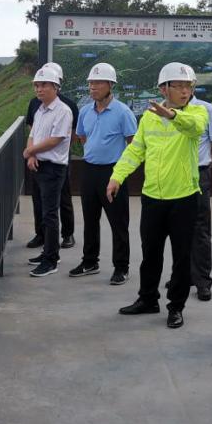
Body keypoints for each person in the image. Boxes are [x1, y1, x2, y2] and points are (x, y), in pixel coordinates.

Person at [107, 63, 207, 329]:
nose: (185, 91)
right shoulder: (149, 118)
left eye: (188, 86)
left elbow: (195, 128)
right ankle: (148, 298)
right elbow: (135, 150)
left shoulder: (197, 112)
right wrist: (117, 176)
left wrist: (173, 115)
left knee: (181, 257)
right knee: (150, 253)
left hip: (184, 198)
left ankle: (176, 307)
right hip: (152, 197)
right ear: (164, 89)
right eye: (179, 86)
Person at [70, 62, 138, 285]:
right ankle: (90, 261)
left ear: (110, 85)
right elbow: (82, 137)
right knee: (90, 219)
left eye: (98, 82)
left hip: (113, 172)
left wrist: (120, 171)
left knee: (118, 222)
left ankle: (121, 267)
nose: (93, 87)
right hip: (89, 170)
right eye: (91, 83)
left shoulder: (123, 112)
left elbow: (133, 143)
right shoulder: (85, 111)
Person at [23, 65, 74, 277]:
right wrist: (32, 154)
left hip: (53, 169)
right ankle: (48, 252)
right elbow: (33, 135)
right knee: (43, 212)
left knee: (50, 215)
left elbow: (55, 140)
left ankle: (51, 260)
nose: (39, 89)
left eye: (44, 85)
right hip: (40, 166)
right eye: (36, 85)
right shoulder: (40, 110)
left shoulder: (63, 111)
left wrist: (30, 151)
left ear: (55, 87)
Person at [188, 91, 212, 301]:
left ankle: (202, 280)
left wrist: (207, 166)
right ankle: (184, 275)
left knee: (200, 228)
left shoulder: (207, 109)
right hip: (174, 176)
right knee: (178, 228)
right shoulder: (166, 111)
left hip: (198, 174)